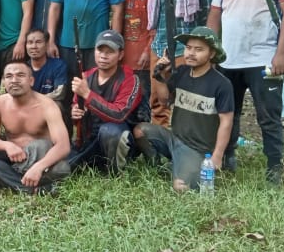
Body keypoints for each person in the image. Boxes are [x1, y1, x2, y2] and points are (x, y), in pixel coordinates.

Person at [206, 0, 284, 184]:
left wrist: (281, 53)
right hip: (229, 59)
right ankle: (227, 157)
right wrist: (212, 49)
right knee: (227, 112)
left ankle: (274, 166)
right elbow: (215, 13)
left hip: (264, 58)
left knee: (268, 115)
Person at [133, 27, 234, 192]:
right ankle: (159, 166)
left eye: (199, 49)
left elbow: (226, 122)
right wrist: (159, 75)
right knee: (140, 131)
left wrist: (217, 156)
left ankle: (181, 169)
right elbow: (164, 100)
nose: (191, 53)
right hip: (174, 138)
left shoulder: (221, 84)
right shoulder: (181, 72)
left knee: (181, 187)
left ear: (212, 54)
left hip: (198, 149)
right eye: (188, 48)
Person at [145, 0, 214, 127]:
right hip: (160, 46)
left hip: (188, 47)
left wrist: (206, 51)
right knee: (158, 101)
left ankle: (187, 143)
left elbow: (208, 18)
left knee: (188, 98)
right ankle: (159, 147)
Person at [0, 60, 72, 194]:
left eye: (20, 75)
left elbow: (63, 146)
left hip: (40, 159)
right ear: (3, 82)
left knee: (59, 166)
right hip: (12, 157)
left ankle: (1, 178)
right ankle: (31, 189)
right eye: (9, 76)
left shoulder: (47, 105)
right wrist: (7, 146)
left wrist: (38, 167)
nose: (14, 80)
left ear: (31, 81)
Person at [68, 29, 142, 173]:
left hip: (116, 138)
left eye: (110, 52)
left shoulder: (130, 79)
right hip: (89, 141)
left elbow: (119, 114)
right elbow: (76, 104)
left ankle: (115, 171)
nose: (103, 56)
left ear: (120, 55)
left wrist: (88, 94)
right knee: (64, 166)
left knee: (110, 131)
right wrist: (75, 111)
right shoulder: (86, 76)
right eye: (100, 50)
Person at [122, 0, 155, 122]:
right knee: (126, 99)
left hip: (143, 51)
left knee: (144, 101)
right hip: (125, 51)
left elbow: (157, 20)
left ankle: (146, 143)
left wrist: (147, 50)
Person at [25, 29, 68, 100]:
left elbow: (60, 93)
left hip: (49, 105)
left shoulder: (58, 65)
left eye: (38, 42)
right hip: (26, 106)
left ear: (47, 44)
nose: (34, 46)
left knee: (58, 105)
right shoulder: (22, 67)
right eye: (30, 42)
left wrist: (35, 101)